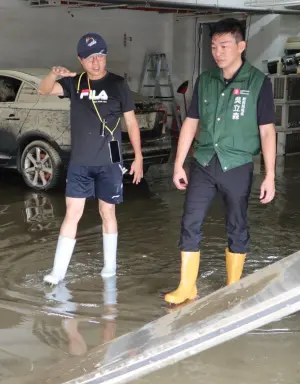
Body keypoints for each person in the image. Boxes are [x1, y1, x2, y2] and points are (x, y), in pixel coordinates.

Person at [164, 18, 276, 305]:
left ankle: (233, 287)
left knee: (236, 224)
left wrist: (270, 175)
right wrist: (178, 163)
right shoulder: (206, 80)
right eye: (214, 46)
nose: (218, 51)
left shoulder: (258, 82)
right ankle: (187, 286)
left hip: (237, 164)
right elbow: (191, 122)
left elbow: (266, 131)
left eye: (224, 45)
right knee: (190, 220)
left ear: (241, 46)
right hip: (203, 161)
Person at [39, 33, 143, 285]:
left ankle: (109, 267)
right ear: (80, 60)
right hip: (81, 162)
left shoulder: (118, 84)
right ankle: (58, 272)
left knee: (107, 211)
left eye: (100, 56)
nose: (96, 63)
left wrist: (138, 157)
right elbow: (43, 90)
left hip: (111, 159)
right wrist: (54, 73)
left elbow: (130, 122)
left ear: (106, 56)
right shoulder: (74, 83)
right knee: (72, 213)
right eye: (90, 58)